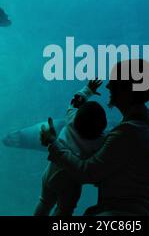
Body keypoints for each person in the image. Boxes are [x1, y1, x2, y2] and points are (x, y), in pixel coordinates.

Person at [41, 60, 149, 216]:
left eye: (114, 82)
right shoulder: (140, 127)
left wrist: (53, 143)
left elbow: (87, 173)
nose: (108, 86)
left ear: (127, 89)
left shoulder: (129, 132)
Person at [34, 80, 107, 216]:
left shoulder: (71, 117)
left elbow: (76, 101)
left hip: (51, 172)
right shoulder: (101, 141)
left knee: (44, 202)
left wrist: (88, 89)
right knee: (64, 210)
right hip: (71, 182)